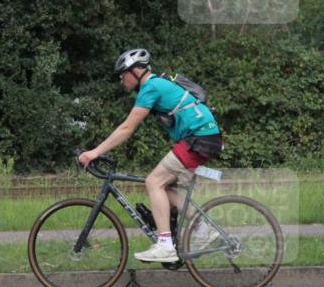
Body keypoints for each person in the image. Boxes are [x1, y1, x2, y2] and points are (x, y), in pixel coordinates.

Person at [78, 48, 223, 262]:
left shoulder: (151, 86)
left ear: (136, 71)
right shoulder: (156, 85)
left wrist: (94, 152)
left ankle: (165, 245)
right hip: (203, 138)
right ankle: (204, 230)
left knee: (153, 181)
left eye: (123, 74)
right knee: (165, 187)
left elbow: (127, 128)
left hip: (198, 139)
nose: (121, 79)